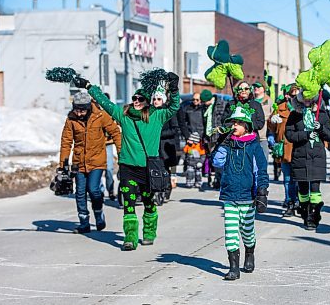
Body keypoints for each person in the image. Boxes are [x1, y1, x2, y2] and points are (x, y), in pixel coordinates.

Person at [73, 70, 180, 250]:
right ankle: (130, 237)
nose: (136, 101)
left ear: (147, 102)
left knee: (148, 202)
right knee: (129, 204)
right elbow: (105, 103)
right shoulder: (124, 115)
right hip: (127, 167)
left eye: (140, 99)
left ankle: (149, 232)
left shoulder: (157, 116)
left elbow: (174, 106)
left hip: (147, 167)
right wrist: (89, 86)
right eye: (134, 98)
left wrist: (174, 89)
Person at [212, 103, 269, 281]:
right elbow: (217, 162)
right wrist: (223, 143)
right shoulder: (229, 144)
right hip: (229, 195)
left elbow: (261, 169)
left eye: (238, 123)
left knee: (247, 231)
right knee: (230, 233)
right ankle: (233, 268)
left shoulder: (253, 146)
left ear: (246, 126)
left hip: (247, 196)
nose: (234, 126)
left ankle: (250, 253)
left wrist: (262, 191)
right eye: (233, 123)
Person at [59, 91, 121, 234]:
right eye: (76, 109)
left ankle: (99, 214)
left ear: (88, 107)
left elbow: (115, 132)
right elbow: (66, 142)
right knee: (80, 192)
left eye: (82, 110)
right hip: (79, 162)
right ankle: (84, 223)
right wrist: (63, 163)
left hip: (97, 160)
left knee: (93, 189)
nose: (79, 113)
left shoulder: (100, 115)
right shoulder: (71, 120)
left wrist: (121, 152)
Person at [285, 91, 330, 230]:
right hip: (300, 155)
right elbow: (289, 134)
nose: (307, 100)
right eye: (304, 98)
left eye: (309, 98)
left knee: (315, 189)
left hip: (316, 156)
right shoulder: (295, 114)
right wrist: (305, 134)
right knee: (303, 189)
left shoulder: (322, 114)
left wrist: (321, 128)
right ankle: (305, 212)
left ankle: (313, 217)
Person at [268, 83, 299, 217]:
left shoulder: (303, 108)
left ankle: (300, 202)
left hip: (299, 148)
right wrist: (271, 121)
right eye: (292, 94)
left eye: (297, 94)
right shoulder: (279, 108)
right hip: (285, 148)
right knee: (287, 178)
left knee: (299, 179)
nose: (294, 97)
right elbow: (272, 129)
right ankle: (289, 202)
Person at [200, 89, 227, 188]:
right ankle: (215, 179)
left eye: (205, 101)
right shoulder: (204, 107)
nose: (204, 104)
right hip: (208, 137)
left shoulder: (222, 104)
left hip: (219, 136)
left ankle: (220, 181)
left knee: (220, 159)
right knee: (213, 159)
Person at [252, 81, 274, 157]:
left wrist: (271, 134)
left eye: (258, 87)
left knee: (263, 160)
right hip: (251, 135)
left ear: (263, 88)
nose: (256, 88)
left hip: (263, 136)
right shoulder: (251, 101)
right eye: (255, 86)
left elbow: (272, 117)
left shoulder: (269, 101)